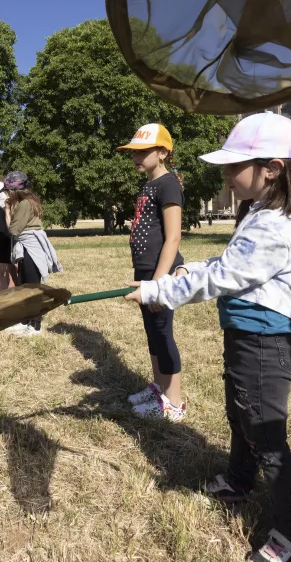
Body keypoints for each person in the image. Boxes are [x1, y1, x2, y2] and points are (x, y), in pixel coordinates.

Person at [125, 112, 291, 562]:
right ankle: (238, 480)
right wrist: (189, 270)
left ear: (271, 169)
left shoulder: (275, 224)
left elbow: (227, 277)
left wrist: (158, 290)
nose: (226, 175)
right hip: (247, 336)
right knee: (240, 414)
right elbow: (230, 263)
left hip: (265, 342)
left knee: (266, 437)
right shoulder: (262, 213)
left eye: (234, 166)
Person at [117, 124, 186, 422]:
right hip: (146, 271)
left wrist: (158, 283)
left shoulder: (168, 184)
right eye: (133, 152)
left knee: (163, 333)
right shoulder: (149, 184)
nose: (136, 156)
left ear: (163, 153)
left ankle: (174, 403)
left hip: (162, 273)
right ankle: (160, 388)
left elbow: (173, 237)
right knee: (152, 332)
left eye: (143, 151)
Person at [5, 171, 61, 335]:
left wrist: (7, 212)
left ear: (15, 190)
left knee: (32, 288)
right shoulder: (30, 201)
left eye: (8, 191)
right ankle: (25, 321)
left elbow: (14, 230)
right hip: (27, 247)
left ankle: (35, 325)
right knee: (23, 284)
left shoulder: (25, 204)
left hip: (30, 247)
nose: (7, 194)